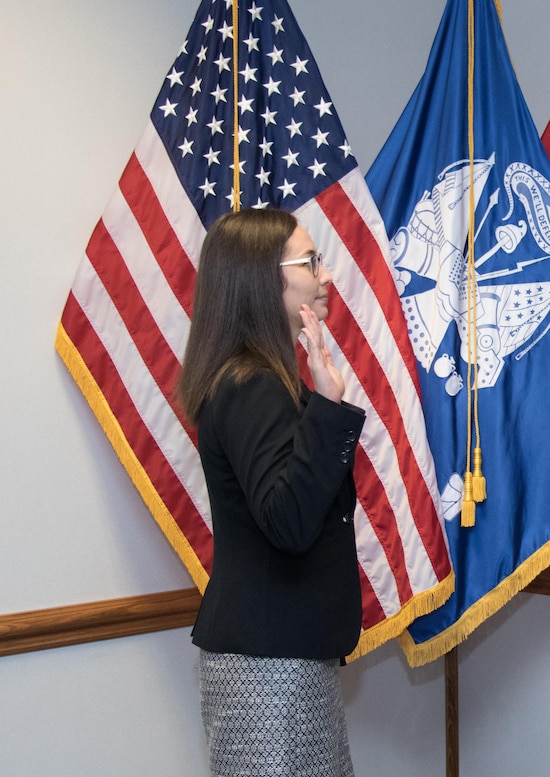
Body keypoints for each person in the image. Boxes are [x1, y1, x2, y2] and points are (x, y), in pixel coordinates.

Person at [175, 208, 365, 777]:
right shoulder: (249, 382)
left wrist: (322, 406)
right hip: (266, 666)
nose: (325, 274)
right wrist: (328, 409)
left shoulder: (266, 378)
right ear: (264, 277)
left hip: (286, 656)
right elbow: (289, 521)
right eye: (310, 262)